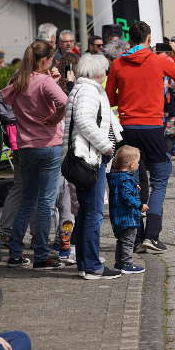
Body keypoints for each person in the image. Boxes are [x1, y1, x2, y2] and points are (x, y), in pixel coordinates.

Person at [106, 21, 175, 254]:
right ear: (149, 37)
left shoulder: (117, 64)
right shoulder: (159, 60)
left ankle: (135, 237)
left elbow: (110, 99)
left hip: (127, 127)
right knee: (160, 177)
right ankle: (152, 236)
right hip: (152, 127)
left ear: (130, 39)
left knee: (132, 179)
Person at [2, 41, 68, 270]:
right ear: (44, 61)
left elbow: (6, 99)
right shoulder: (45, 81)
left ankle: (15, 253)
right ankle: (41, 254)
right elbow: (64, 102)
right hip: (49, 145)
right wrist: (56, 117)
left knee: (27, 200)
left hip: (26, 146)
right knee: (46, 202)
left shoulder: (19, 80)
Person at [61, 52, 124, 279]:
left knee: (87, 211)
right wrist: (106, 146)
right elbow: (85, 121)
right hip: (89, 157)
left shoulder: (80, 88)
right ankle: (92, 266)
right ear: (98, 72)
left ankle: (85, 262)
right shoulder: (89, 91)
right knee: (93, 213)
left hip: (83, 156)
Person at [106, 146, 147, 274]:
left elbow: (123, 191)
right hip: (127, 216)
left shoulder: (118, 177)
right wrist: (140, 205)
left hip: (119, 216)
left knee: (122, 240)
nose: (139, 165)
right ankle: (126, 263)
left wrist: (135, 187)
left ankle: (119, 262)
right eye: (138, 162)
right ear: (131, 164)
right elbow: (126, 197)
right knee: (128, 241)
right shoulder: (126, 179)